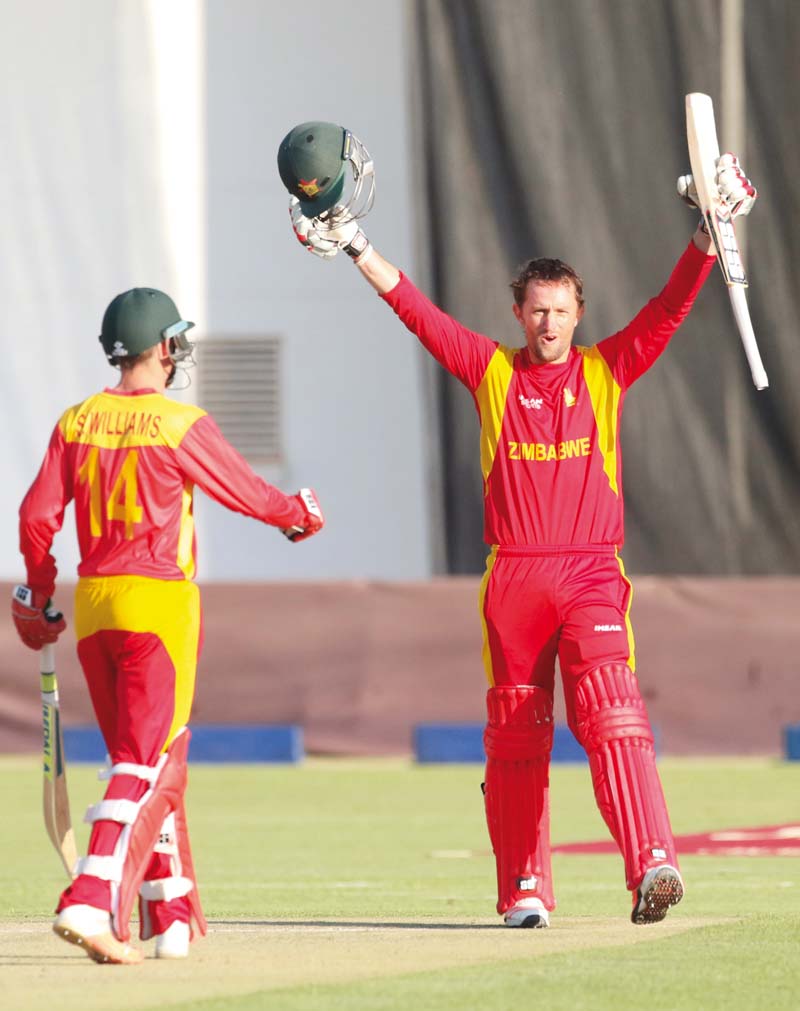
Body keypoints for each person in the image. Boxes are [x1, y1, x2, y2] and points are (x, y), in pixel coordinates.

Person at [280, 124, 756, 928]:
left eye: (562, 312)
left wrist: (708, 240)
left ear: (578, 314)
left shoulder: (607, 370)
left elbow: (667, 313)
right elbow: (418, 314)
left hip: (592, 571)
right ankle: (524, 889)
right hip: (516, 579)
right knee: (516, 732)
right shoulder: (492, 372)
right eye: (537, 311)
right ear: (518, 312)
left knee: (612, 706)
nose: (549, 325)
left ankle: (653, 863)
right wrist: (357, 244)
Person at [12, 288, 324, 964]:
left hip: (94, 603)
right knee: (142, 762)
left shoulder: (75, 420)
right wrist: (300, 511)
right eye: (174, 341)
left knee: (160, 756)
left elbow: (37, 517)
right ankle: (90, 898)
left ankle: (170, 910)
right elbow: (251, 494)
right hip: (158, 603)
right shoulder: (180, 422)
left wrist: (35, 591)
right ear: (162, 348)